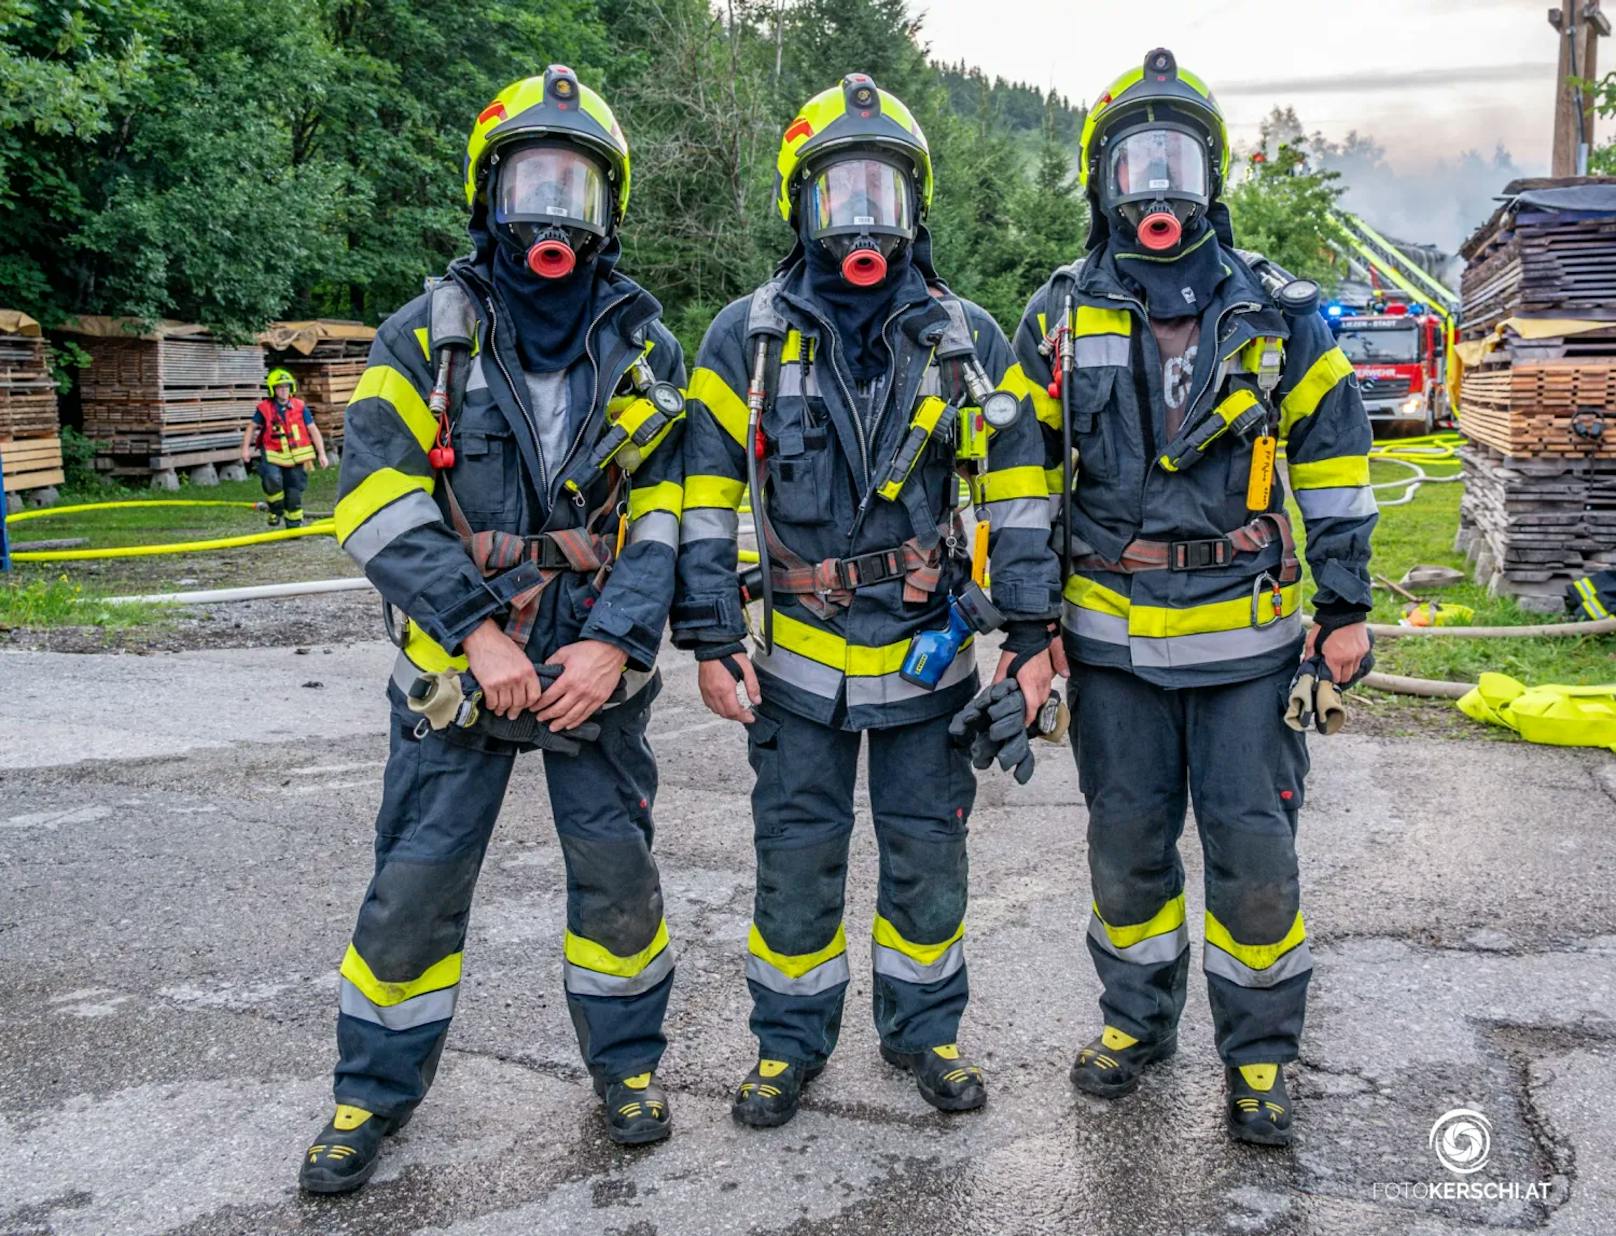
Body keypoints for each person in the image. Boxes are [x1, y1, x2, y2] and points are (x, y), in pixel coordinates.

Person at [298, 65, 687, 1193]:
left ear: (608, 206)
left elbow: (664, 514)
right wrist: (477, 632)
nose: (554, 210)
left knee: (618, 883)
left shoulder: (644, 346)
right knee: (412, 888)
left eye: (577, 185)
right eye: (532, 179)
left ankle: (625, 1073)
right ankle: (367, 1098)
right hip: (461, 672)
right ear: (488, 192)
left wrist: (613, 642)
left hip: (591, 671)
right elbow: (374, 499)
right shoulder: (427, 335)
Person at [1002, 49, 1376, 1147]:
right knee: (1125, 851)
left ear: (1211, 177)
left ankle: (1258, 1059)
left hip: (1249, 655)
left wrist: (1343, 610)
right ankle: (1135, 1027)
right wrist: (1027, 630)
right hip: (1109, 651)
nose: (1155, 189)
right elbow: (1018, 488)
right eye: (1134, 163)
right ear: (1101, 181)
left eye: (1175, 163)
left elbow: (1337, 466)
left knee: (1253, 860)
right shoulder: (1059, 315)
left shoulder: (1276, 315)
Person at [673, 74, 1060, 1128]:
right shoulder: (742, 342)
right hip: (791, 667)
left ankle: (923, 1035)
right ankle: (786, 1046)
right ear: (797, 205)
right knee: (793, 862)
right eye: (837, 192)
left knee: (927, 862)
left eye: (880, 194)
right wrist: (710, 636)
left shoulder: (964, 339)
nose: (860, 219)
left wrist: (1032, 638)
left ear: (911, 209)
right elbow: (704, 502)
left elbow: (1020, 495)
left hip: (929, 661)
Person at [242, 368, 328, 527]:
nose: (284, 390)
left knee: (294, 491)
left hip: (296, 457)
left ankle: (293, 523)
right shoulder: (265, 408)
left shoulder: (300, 407)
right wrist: (245, 450)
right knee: (272, 480)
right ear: (273, 390)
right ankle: (276, 510)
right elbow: (251, 427)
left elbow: (313, 429)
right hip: (272, 454)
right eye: (280, 387)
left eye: (286, 386)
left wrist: (322, 454)